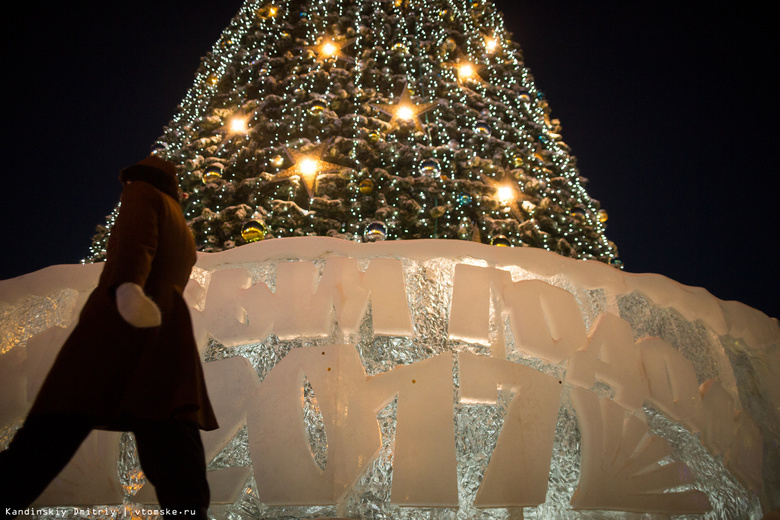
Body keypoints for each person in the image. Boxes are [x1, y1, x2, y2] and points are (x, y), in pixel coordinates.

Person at [0, 156, 218, 518]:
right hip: (160, 327)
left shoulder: (142, 193)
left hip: (121, 327)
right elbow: (154, 249)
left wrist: (128, 287)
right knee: (171, 440)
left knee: (53, 432)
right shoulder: (175, 214)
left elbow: (135, 241)